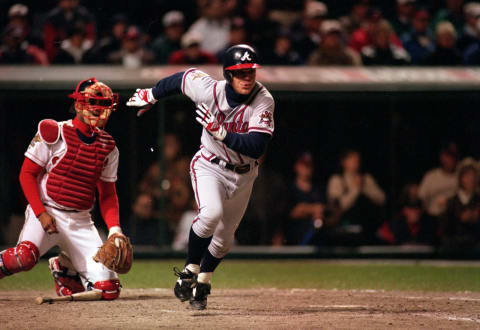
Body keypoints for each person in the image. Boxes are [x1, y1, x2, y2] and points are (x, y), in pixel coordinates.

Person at [126, 44, 274, 310]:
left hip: (244, 174)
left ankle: (203, 281)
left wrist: (222, 133)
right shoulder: (209, 89)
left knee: (225, 237)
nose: (247, 77)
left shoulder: (263, 99)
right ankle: (189, 270)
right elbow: (179, 80)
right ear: (228, 74)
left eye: (250, 72)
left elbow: (257, 146)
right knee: (210, 214)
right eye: (240, 73)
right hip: (210, 165)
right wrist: (151, 94)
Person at [0, 77, 127, 301]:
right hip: (47, 212)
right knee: (24, 257)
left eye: (106, 105)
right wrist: (40, 212)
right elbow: (26, 174)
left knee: (109, 289)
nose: (101, 110)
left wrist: (115, 229)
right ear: (78, 105)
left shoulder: (109, 147)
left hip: (80, 220)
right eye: (95, 103)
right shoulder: (53, 132)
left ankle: (64, 269)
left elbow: (107, 194)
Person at [326, 149, 386, 244]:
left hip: (367, 228)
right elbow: (337, 207)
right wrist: (355, 190)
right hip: (343, 230)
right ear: (344, 162)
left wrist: (365, 188)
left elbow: (382, 199)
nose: (356, 162)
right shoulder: (337, 180)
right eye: (352, 159)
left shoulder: (366, 179)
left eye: (357, 159)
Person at [441, 161, 480, 251]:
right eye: (467, 176)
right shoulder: (452, 202)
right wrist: (459, 217)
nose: (471, 180)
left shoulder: (478, 200)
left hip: (475, 242)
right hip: (455, 242)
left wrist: (475, 218)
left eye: (473, 176)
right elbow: (446, 228)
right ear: (461, 178)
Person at [418, 143, 458, 220]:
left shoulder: (461, 176)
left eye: (453, 157)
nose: (451, 160)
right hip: (433, 218)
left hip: (453, 219)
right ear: (442, 157)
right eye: (448, 156)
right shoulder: (431, 176)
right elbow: (421, 198)